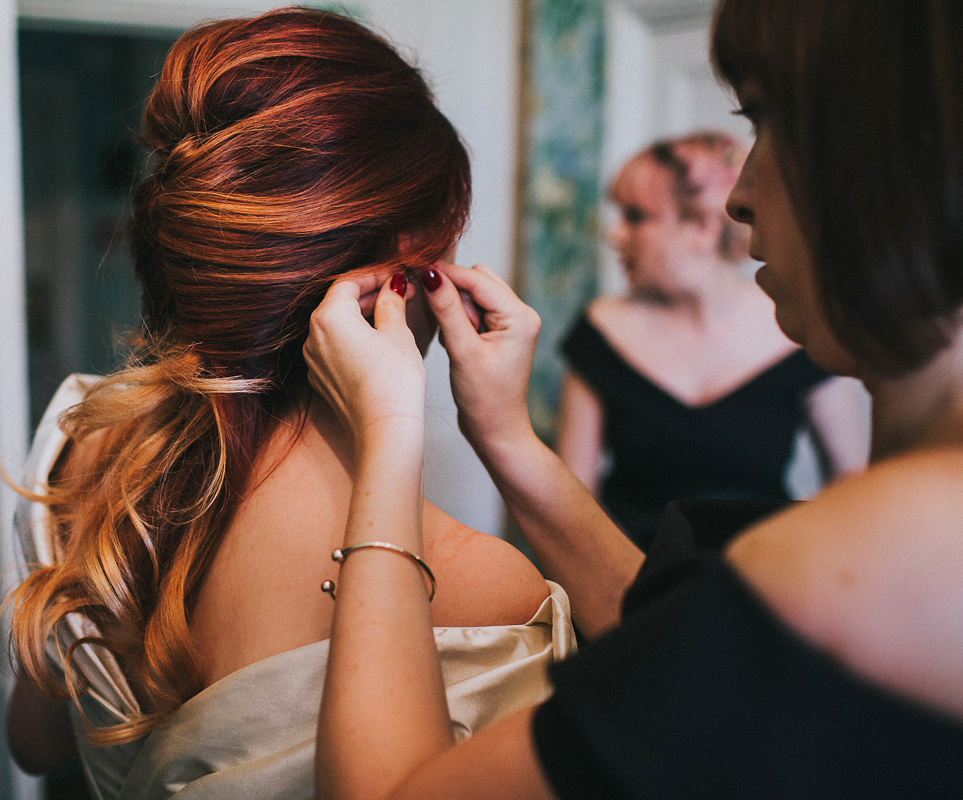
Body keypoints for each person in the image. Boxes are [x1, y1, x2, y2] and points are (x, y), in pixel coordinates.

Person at [304, 0, 963, 796]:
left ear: (891, 153)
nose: (740, 198)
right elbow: (694, 655)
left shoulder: (852, 567)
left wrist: (389, 428)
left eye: (768, 119)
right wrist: (505, 435)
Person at [0, 8, 574, 800]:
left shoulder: (84, 438)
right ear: (399, 277)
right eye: (448, 244)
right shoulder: (480, 590)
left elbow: (32, 742)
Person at [556, 131, 867, 547]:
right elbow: (570, 503)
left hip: (764, 582)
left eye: (635, 216)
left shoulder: (799, 330)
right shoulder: (600, 329)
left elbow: (852, 482)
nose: (615, 235)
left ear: (701, 228)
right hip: (629, 584)